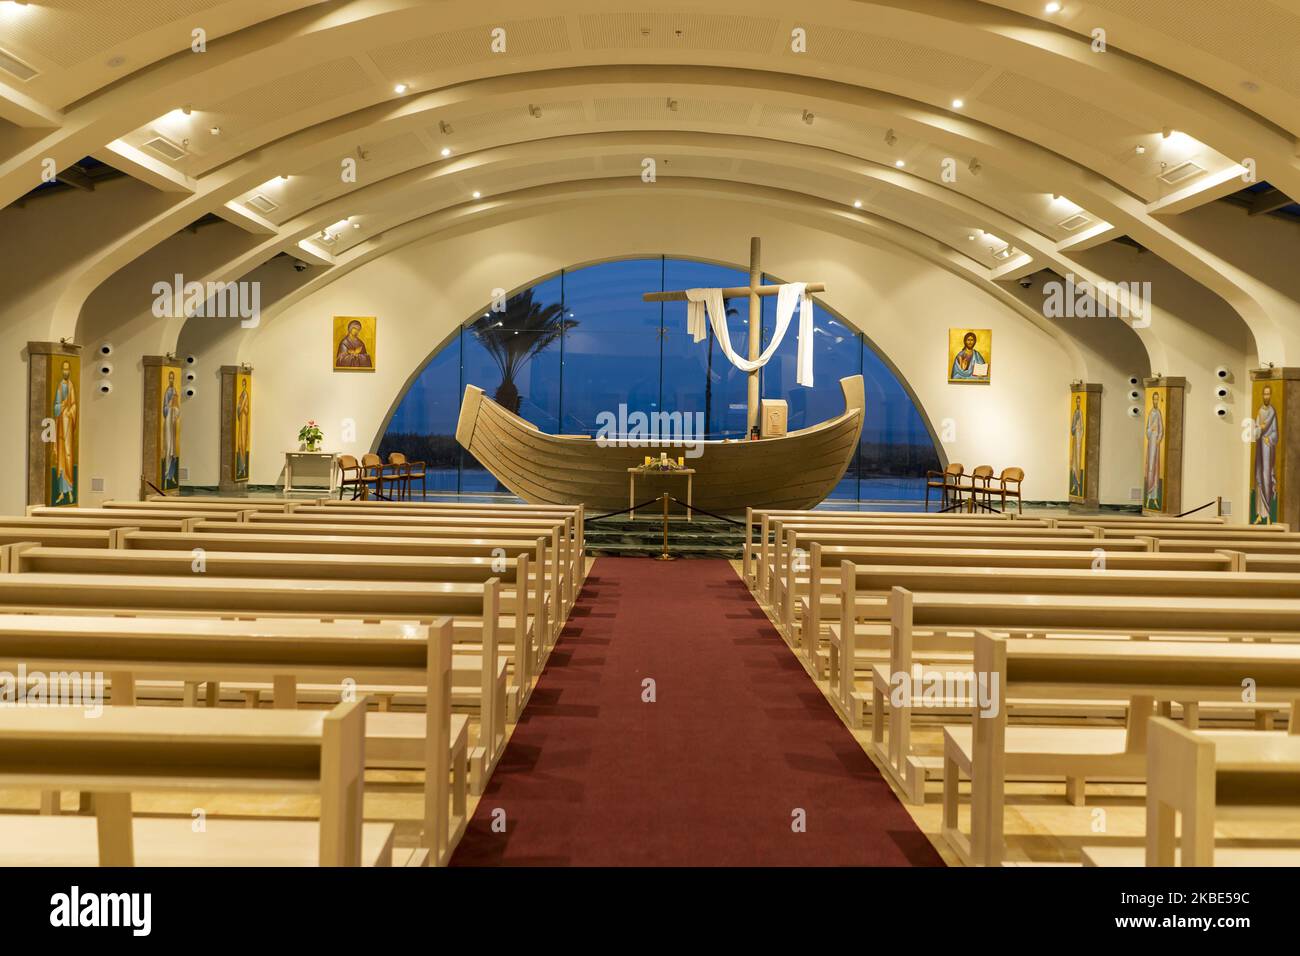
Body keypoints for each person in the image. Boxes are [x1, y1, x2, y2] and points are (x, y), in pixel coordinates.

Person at [52, 360, 77, 505]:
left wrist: (70, 411)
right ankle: (61, 492)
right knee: (61, 457)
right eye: (64, 369)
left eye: (68, 370)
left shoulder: (71, 386)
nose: (66, 372)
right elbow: (56, 406)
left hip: (69, 426)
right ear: (62, 371)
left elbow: (74, 406)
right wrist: (61, 406)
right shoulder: (60, 387)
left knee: (69, 457)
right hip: (61, 426)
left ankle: (70, 490)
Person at [1253, 384, 1279, 524]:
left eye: (1269, 394)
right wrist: (1259, 428)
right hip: (1259, 449)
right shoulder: (1259, 411)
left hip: (1268, 449)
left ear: (1271, 396)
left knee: (1266, 478)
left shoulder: (1272, 412)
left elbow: (1276, 433)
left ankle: (1268, 514)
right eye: (1265, 394)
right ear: (1262, 395)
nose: (1267, 396)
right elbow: (1255, 430)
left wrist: (1270, 438)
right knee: (1258, 478)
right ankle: (1259, 515)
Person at [1143, 392, 1164, 510]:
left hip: (1156, 444)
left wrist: (1158, 439)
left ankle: (1155, 498)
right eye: (1154, 399)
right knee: (1150, 468)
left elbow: (1161, 429)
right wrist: (1151, 429)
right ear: (1152, 400)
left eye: (1157, 399)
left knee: (1155, 470)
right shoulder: (1151, 413)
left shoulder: (1159, 413)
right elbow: (1147, 430)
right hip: (1150, 443)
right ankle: (1148, 496)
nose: (1156, 401)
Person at [162, 370, 180, 488]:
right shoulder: (167, 392)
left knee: (174, 449)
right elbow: (164, 409)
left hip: (173, 422)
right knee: (168, 448)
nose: (172, 380)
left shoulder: (175, 391)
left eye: (173, 378)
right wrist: (169, 406)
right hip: (168, 422)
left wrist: (175, 409)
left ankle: (171, 474)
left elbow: (178, 407)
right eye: (170, 378)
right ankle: (166, 473)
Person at [1069, 394, 1084, 497]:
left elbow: (1082, 427)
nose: (1078, 403)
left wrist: (1078, 429)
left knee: (1078, 462)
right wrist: (1074, 428)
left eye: (1079, 401)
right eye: (1077, 401)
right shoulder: (1075, 413)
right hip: (1075, 440)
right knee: (1073, 462)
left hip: (1079, 441)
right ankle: (1074, 483)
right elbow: (1072, 428)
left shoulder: (1081, 413)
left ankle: (1078, 483)